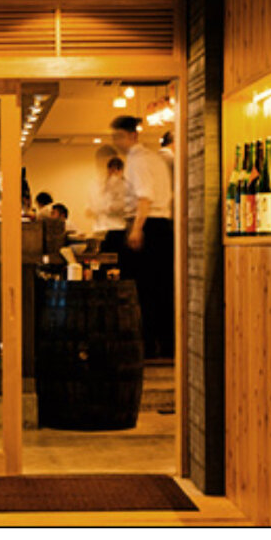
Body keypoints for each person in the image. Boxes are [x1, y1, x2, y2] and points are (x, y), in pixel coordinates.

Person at [111, 115, 174, 359]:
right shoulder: (152, 157)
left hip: (148, 226)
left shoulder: (138, 160)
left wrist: (137, 229)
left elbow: (144, 197)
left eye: (119, 136)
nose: (116, 141)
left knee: (143, 290)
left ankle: (148, 345)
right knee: (161, 288)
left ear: (132, 135)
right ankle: (166, 344)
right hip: (161, 226)